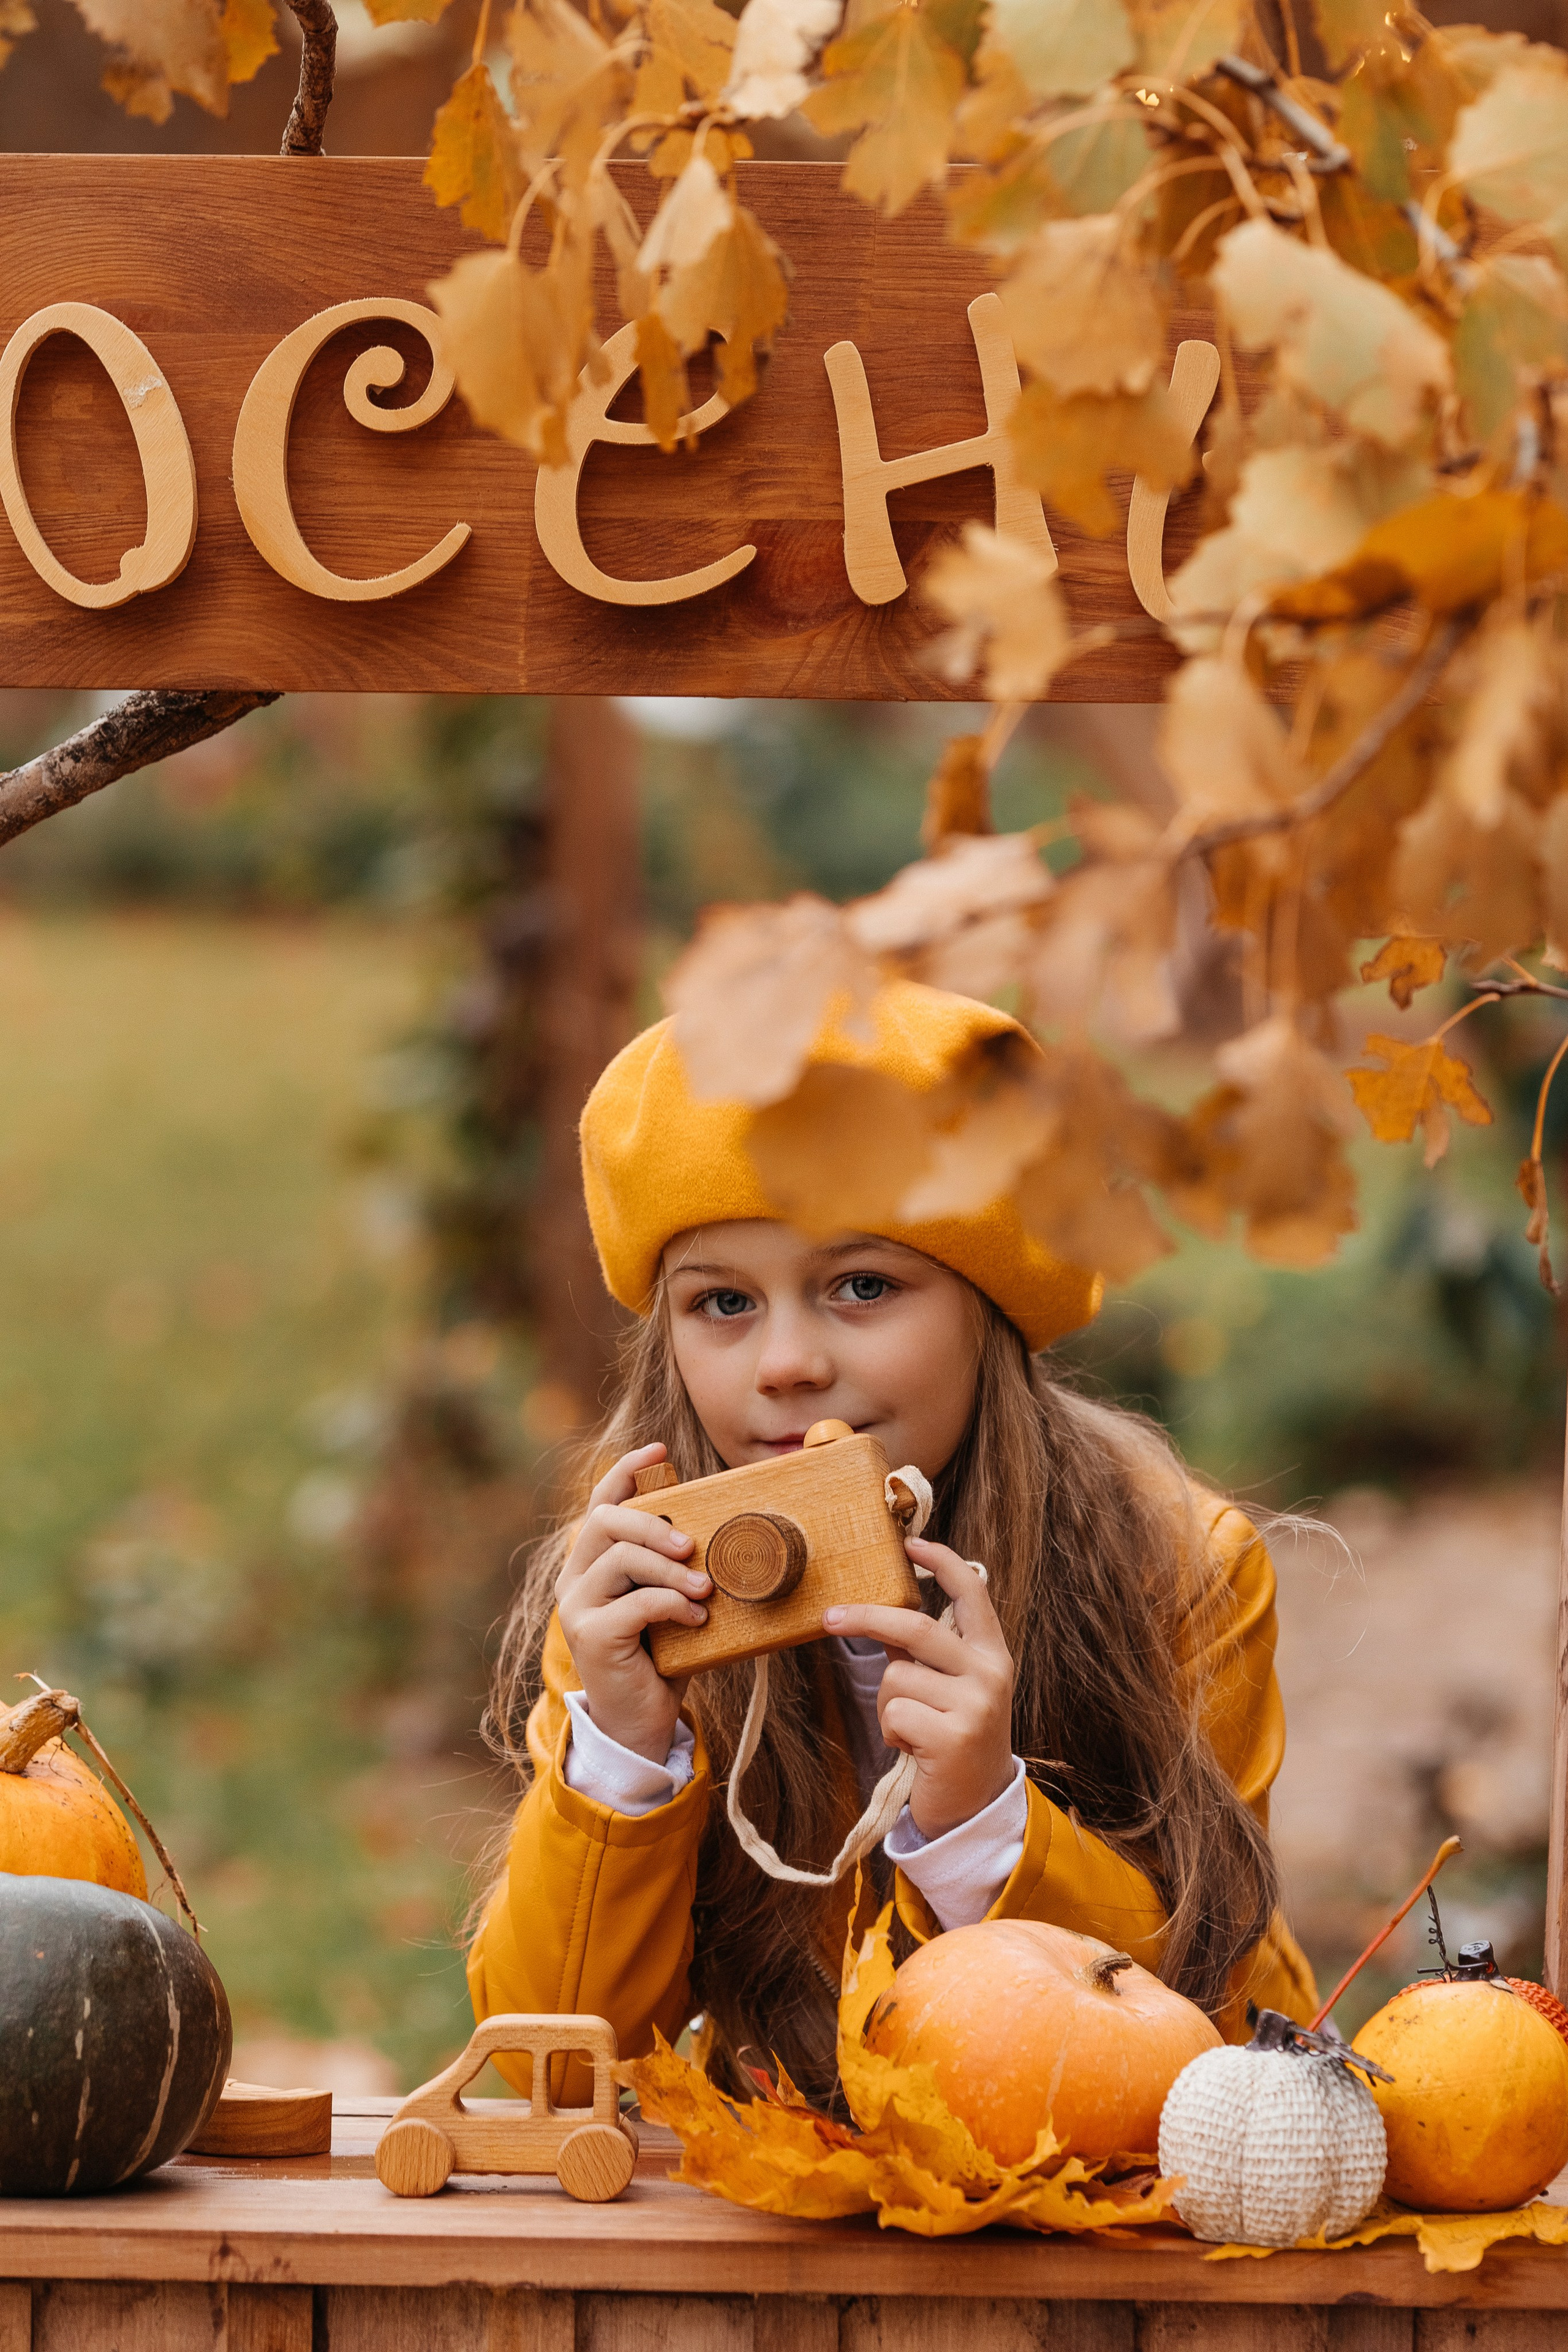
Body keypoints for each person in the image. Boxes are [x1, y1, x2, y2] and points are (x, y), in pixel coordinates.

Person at [468, 982, 1317, 2109]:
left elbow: (1228, 2042)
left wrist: (983, 1820)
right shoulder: (642, 1594)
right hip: (784, 2233)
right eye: (722, 1303)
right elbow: (543, 2071)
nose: (785, 1364)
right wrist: (621, 1757)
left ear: (989, 1306)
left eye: (862, 1286)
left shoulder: (1180, 1566)